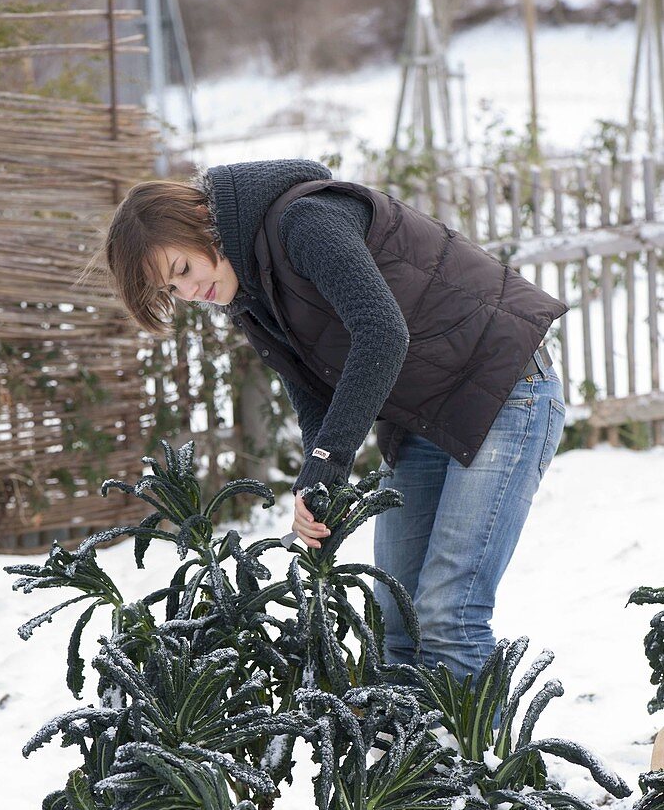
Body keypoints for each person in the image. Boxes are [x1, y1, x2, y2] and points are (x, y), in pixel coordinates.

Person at [100, 157, 568, 689]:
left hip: (504, 391)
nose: (188, 293)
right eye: (171, 291)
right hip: (424, 415)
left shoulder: (305, 222)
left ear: (204, 226)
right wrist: (317, 482)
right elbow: (311, 386)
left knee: (448, 616)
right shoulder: (250, 289)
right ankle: (408, 768)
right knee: (397, 620)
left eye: (182, 271)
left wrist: (330, 460)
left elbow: (382, 333)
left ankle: (478, 767)